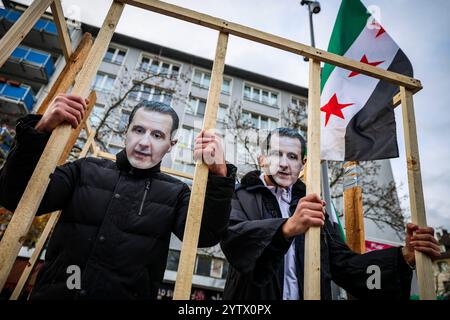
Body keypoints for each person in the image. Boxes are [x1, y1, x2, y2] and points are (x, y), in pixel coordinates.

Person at [0, 94, 236, 299]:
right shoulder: (84, 170)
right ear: (126, 133)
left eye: (157, 135)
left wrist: (219, 177)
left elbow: (205, 235)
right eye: (138, 130)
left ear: (170, 145)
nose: (144, 142)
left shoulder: (176, 193)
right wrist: (39, 130)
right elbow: (15, 197)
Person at [220, 128, 441, 300]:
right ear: (262, 160)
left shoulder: (314, 208)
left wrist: (403, 258)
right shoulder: (238, 194)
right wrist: (286, 229)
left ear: (302, 165)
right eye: (277, 154)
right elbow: (234, 240)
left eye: (293, 157)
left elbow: (345, 267)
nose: (285, 164)